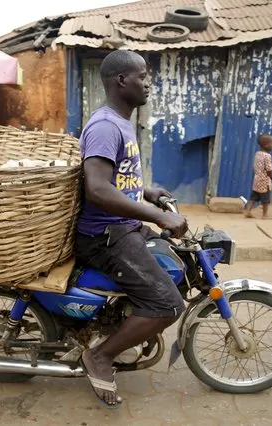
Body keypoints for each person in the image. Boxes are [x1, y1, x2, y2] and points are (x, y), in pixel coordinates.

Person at [75, 50, 188, 407]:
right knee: (168, 304)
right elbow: (97, 188)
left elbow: (119, 178)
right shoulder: (106, 126)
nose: (148, 83)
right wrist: (157, 216)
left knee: (178, 265)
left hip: (123, 227)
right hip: (105, 237)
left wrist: (147, 191)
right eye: (142, 76)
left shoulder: (121, 122)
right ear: (122, 81)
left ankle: (119, 327)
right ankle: (100, 356)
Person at [245, 134, 272, 219]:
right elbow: (269, 169)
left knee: (253, 196)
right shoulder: (267, 156)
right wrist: (271, 177)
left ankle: (248, 211)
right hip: (264, 180)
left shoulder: (257, 153)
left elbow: (255, 165)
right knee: (265, 199)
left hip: (257, 178)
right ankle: (265, 215)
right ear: (266, 145)